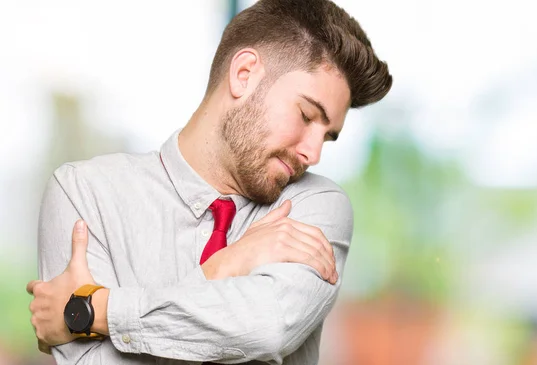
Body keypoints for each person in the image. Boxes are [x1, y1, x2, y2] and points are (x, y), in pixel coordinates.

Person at [26, 0, 392, 363]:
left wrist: (95, 311)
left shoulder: (314, 206)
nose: (314, 153)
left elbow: (266, 327)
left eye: (328, 136)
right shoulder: (84, 195)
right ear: (244, 74)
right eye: (306, 115)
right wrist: (226, 266)